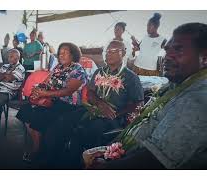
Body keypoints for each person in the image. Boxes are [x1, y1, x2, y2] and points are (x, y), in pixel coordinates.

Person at [85, 23, 207, 169]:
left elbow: (155, 161)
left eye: (178, 50)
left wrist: (104, 167)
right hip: (126, 146)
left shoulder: (197, 100)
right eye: (167, 50)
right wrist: (108, 151)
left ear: (204, 58)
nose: (168, 56)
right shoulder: (174, 86)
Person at [40, 40, 144, 168]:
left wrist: (116, 114)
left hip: (114, 117)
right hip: (92, 110)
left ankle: (77, 165)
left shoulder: (131, 77)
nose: (108, 54)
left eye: (113, 51)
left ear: (123, 53)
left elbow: (138, 103)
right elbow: (90, 92)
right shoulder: (98, 72)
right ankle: (53, 162)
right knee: (61, 123)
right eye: (107, 51)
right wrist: (100, 103)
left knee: (86, 132)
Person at [16, 42, 88, 162]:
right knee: (26, 110)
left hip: (69, 106)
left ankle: (43, 151)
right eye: (60, 53)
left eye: (65, 53)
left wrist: (45, 94)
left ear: (73, 54)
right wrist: (38, 89)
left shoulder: (77, 69)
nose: (61, 55)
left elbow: (68, 91)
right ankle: (38, 146)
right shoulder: (57, 68)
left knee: (42, 118)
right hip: (52, 101)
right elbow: (46, 82)